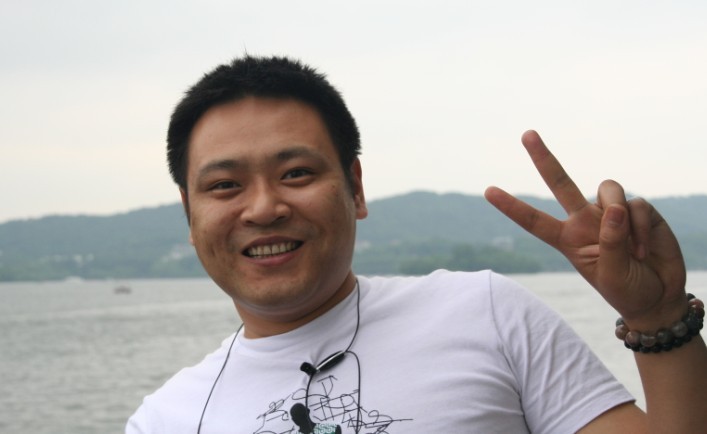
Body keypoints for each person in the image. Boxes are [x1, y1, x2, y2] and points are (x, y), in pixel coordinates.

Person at [126, 55, 707, 433]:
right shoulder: (165, 420)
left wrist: (657, 317)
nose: (263, 208)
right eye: (225, 186)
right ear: (190, 214)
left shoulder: (484, 313)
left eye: (296, 173)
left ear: (355, 188)